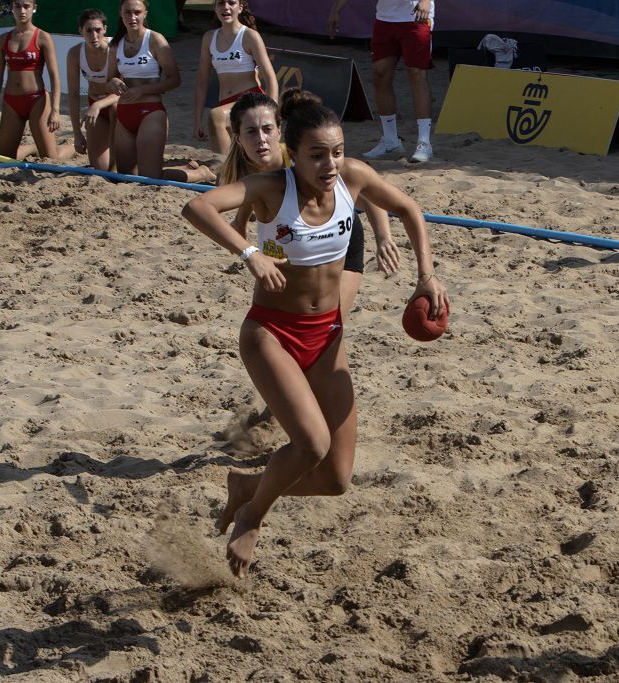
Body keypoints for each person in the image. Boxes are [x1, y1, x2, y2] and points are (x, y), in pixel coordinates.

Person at [182, 89, 449, 578]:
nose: (330, 163)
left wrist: (425, 274)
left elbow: (410, 209)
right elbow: (197, 209)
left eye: (338, 151)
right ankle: (252, 517)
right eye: (317, 154)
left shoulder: (352, 177)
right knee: (310, 445)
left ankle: (247, 487)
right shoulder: (269, 187)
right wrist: (250, 254)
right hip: (272, 332)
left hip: (327, 335)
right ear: (294, 152)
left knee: (335, 480)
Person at [221, 90, 401, 318]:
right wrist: (241, 222)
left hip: (338, 235)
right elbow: (254, 193)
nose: (261, 140)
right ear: (238, 137)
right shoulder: (248, 166)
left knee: (330, 325)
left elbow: (367, 193)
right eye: (251, 132)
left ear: (279, 130)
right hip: (292, 242)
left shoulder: (302, 158)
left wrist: (383, 237)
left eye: (267, 129)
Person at [107, 0, 215, 182]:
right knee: (124, 177)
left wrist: (143, 89)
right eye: (127, 12)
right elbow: (108, 80)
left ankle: (201, 173)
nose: (132, 17)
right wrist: (114, 82)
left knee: (150, 177)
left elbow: (174, 79)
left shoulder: (155, 40)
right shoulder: (116, 44)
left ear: (145, 13)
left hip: (150, 112)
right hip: (124, 113)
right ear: (120, 13)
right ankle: (188, 168)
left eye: (137, 12)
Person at [327, 0, 435, 163]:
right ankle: (390, 141)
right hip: (385, 19)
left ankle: (424, 143)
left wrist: (425, 1)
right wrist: (335, 10)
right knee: (380, 74)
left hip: (415, 18)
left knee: (417, 75)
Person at [0, 0, 67, 160]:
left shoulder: (42, 37)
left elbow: (54, 76)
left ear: (34, 8)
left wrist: (55, 111)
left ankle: (70, 148)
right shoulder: (3, 39)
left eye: (26, 6)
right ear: (11, 9)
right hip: (11, 102)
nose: (22, 10)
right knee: (4, 157)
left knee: (50, 158)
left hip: (37, 101)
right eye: (17, 6)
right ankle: (31, 147)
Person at [192, 0, 278, 156]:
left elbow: (271, 79)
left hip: (250, 101)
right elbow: (202, 81)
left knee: (216, 117)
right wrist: (197, 120)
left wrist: (272, 115)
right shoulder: (209, 37)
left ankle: (224, 176)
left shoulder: (250, 36)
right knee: (238, 160)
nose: (225, 7)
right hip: (225, 105)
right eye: (220, 3)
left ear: (240, 7)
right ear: (214, 8)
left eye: (231, 2)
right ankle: (219, 174)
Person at [66, 8, 118, 170]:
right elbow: (73, 95)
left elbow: (123, 91)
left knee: (121, 168)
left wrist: (97, 105)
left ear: (105, 29)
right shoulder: (75, 53)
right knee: (101, 169)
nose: (94, 36)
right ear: (80, 30)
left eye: (98, 30)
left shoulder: (115, 49)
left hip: (116, 106)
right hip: (95, 106)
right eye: (89, 30)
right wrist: (77, 134)